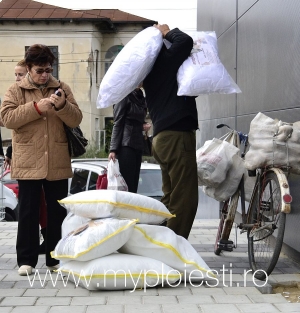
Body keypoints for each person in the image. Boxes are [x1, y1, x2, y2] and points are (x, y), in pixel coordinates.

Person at [0, 44, 83, 276]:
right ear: (28, 68)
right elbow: (6, 119)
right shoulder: (16, 90)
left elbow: (76, 119)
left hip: (56, 159)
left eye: (48, 69)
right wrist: (36, 108)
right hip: (27, 160)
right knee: (28, 212)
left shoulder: (61, 88)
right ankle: (26, 260)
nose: (45, 74)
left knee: (57, 213)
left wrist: (62, 106)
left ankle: (55, 259)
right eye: (39, 70)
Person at [143, 24, 198, 240]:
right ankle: (172, 249)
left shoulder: (150, 72)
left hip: (161, 138)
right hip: (176, 137)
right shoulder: (163, 63)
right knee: (185, 197)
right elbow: (185, 42)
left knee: (170, 196)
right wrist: (167, 31)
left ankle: (155, 240)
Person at [4, 59, 47, 255]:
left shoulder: (44, 91)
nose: (17, 78)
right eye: (15, 75)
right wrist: (9, 153)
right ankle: (28, 252)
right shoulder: (14, 93)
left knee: (44, 205)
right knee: (29, 206)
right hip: (26, 156)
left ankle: (48, 241)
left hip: (46, 158)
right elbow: (10, 122)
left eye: (20, 74)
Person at [108, 86, 151, 193]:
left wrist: (142, 126)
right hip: (126, 145)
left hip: (138, 144)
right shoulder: (123, 95)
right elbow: (118, 123)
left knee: (134, 186)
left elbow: (135, 121)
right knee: (126, 185)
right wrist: (113, 149)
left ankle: (130, 208)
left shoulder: (141, 97)